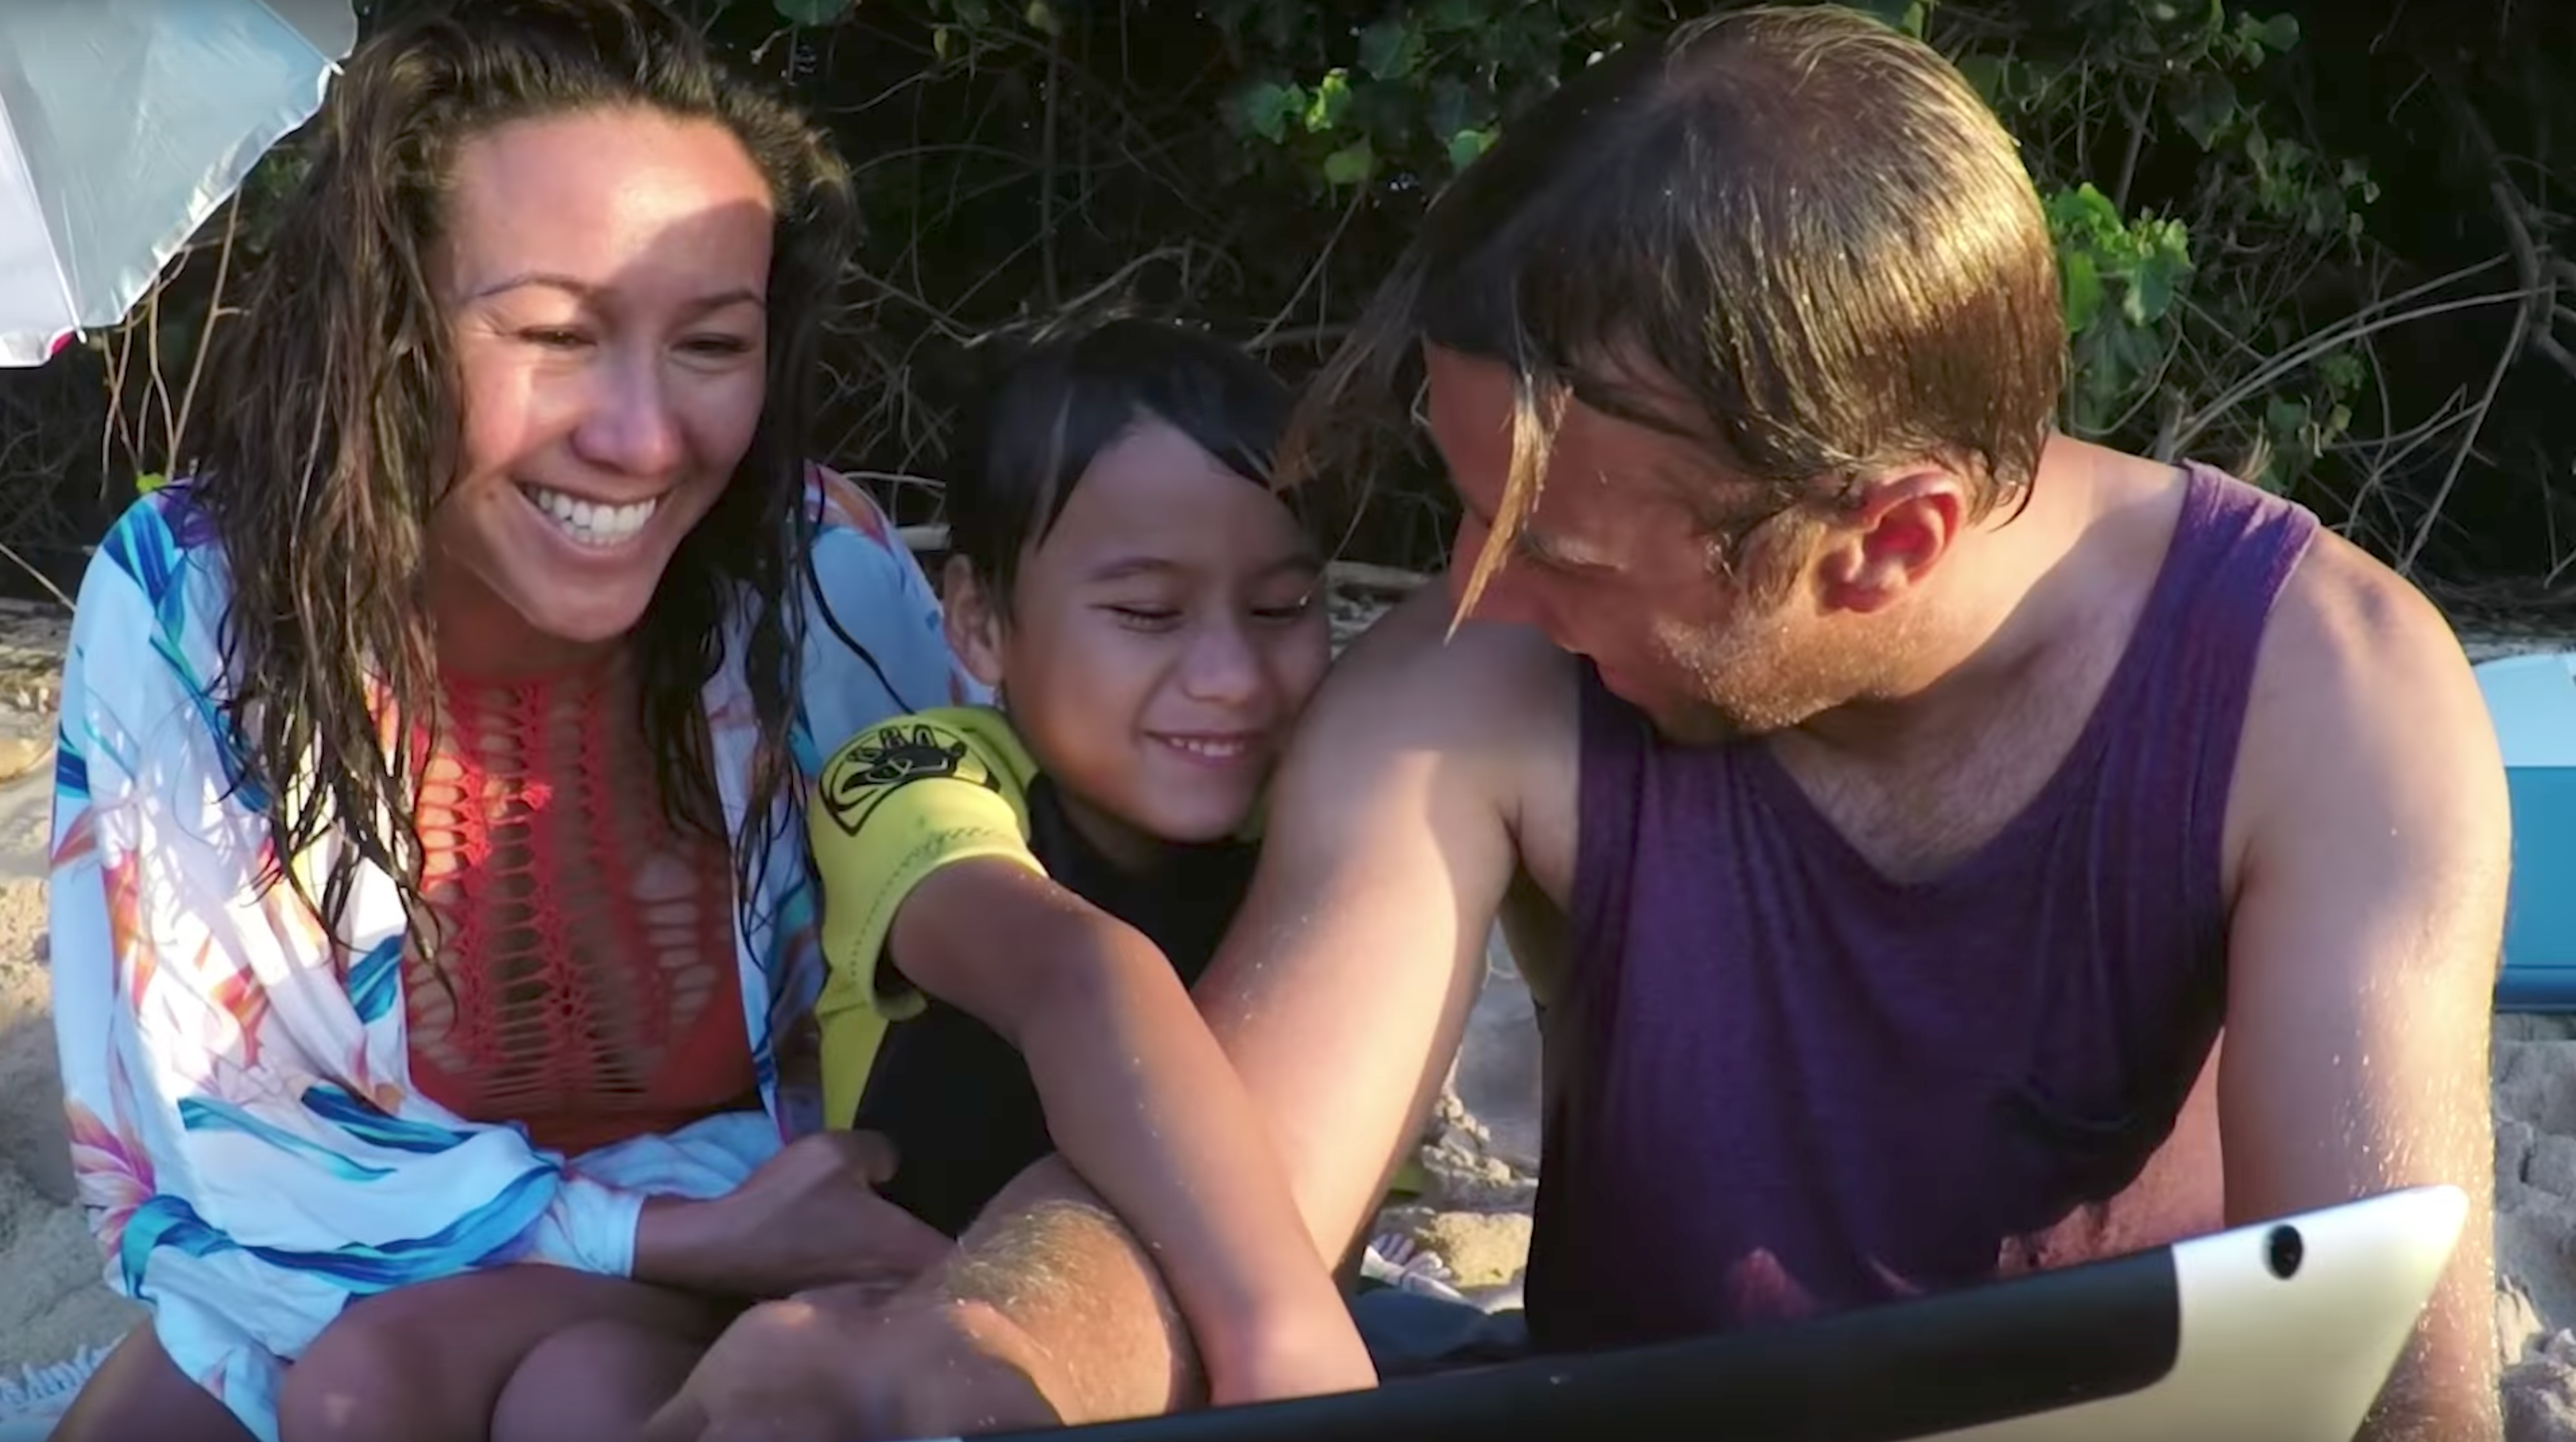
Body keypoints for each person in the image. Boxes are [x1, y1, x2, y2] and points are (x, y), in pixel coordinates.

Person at [646, 7, 2507, 1442]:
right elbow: (1230, 1183)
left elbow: (2396, 1387)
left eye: (1546, 542)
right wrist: (988, 1352)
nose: (1461, 592)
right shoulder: (1483, 693)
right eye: (1459, 510)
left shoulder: (2316, 694)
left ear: (1885, 540)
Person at [44, 3, 978, 1441]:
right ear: (391, 329)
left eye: (711, 344)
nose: (641, 435)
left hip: (766, 1254)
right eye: (553, 333)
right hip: (347, 1272)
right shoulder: (201, 603)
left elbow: (955, 969)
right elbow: (237, 1154)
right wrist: (661, 1239)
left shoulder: (818, 579)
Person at [796, 316, 1373, 1407]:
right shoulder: (916, 779)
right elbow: (1073, 974)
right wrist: (1278, 1324)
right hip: (939, 1338)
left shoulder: (1315, 807)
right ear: (979, 621)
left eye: (1284, 607)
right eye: (1149, 613)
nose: (1233, 676)